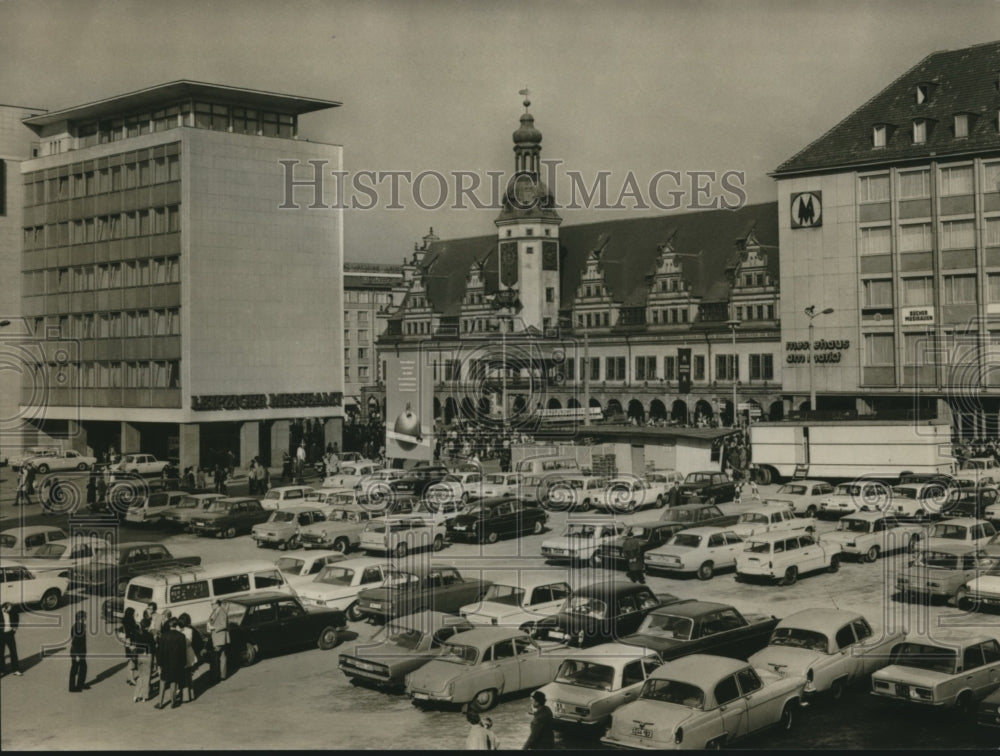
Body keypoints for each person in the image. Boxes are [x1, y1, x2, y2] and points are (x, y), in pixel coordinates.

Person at [155, 618, 187, 709]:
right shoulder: (181, 636)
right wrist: (183, 663)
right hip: (176, 662)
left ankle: (160, 702)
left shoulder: (164, 636)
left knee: (163, 681)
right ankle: (173, 702)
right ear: (176, 625)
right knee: (174, 681)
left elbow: (160, 651)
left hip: (165, 662)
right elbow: (183, 651)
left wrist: (159, 664)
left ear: (169, 625)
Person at [206, 599, 230, 682]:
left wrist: (214, 628)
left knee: (215, 657)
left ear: (217, 604)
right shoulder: (215, 611)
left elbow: (224, 625)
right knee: (222, 656)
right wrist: (209, 625)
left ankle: (215, 676)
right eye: (211, 604)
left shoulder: (222, 612)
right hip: (217, 637)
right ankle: (223, 675)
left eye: (212, 604)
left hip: (220, 637)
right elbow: (211, 620)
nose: (211, 606)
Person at [119, 607, 140, 686]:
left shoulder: (124, 621)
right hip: (131, 643)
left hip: (127, 644)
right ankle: (131, 678)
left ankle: (129, 677)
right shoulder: (130, 623)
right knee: (132, 661)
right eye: (133, 613)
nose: (134, 614)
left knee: (130, 660)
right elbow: (131, 634)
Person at [69, 610, 89, 692]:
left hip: (79, 652)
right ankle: (73, 687)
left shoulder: (78, 626)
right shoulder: (78, 627)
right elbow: (75, 641)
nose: (86, 618)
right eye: (85, 617)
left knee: (82, 667)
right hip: (77, 652)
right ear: (81, 618)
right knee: (75, 669)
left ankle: (80, 684)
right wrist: (77, 655)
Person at [1, 602, 21, 677]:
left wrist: (15, 627)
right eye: (8, 610)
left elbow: (16, 616)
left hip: (10, 634)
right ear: (3, 608)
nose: (10, 612)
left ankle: (16, 670)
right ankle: (2, 670)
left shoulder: (12, 611)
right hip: (1, 635)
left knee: (13, 651)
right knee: (1, 653)